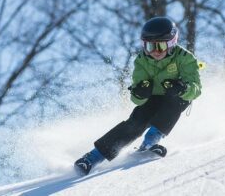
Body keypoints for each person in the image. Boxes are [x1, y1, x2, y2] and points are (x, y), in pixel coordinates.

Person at [74, 16, 202, 175]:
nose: (155, 51)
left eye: (160, 46)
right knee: (136, 122)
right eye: (149, 46)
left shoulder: (185, 58)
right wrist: (140, 92)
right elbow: (136, 99)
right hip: (152, 98)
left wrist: (183, 88)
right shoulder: (141, 61)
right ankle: (92, 158)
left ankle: (150, 142)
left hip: (175, 96)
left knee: (176, 102)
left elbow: (196, 89)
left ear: (171, 43)